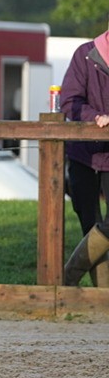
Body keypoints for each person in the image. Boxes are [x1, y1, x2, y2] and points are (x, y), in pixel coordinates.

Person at [61, 25, 109, 287]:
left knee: (103, 229)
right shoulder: (85, 55)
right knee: (90, 222)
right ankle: (104, 295)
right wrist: (95, 117)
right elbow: (70, 100)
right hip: (84, 154)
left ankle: (68, 277)